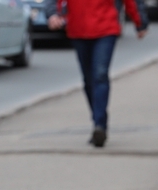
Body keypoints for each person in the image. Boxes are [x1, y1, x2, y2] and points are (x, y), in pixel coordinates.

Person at [47, 0, 149, 148]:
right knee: (89, 80)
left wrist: (140, 21)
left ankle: (99, 125)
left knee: (100, 75)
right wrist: (53, 14)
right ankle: (98, 120)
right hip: (79, 29)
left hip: (106, 28)